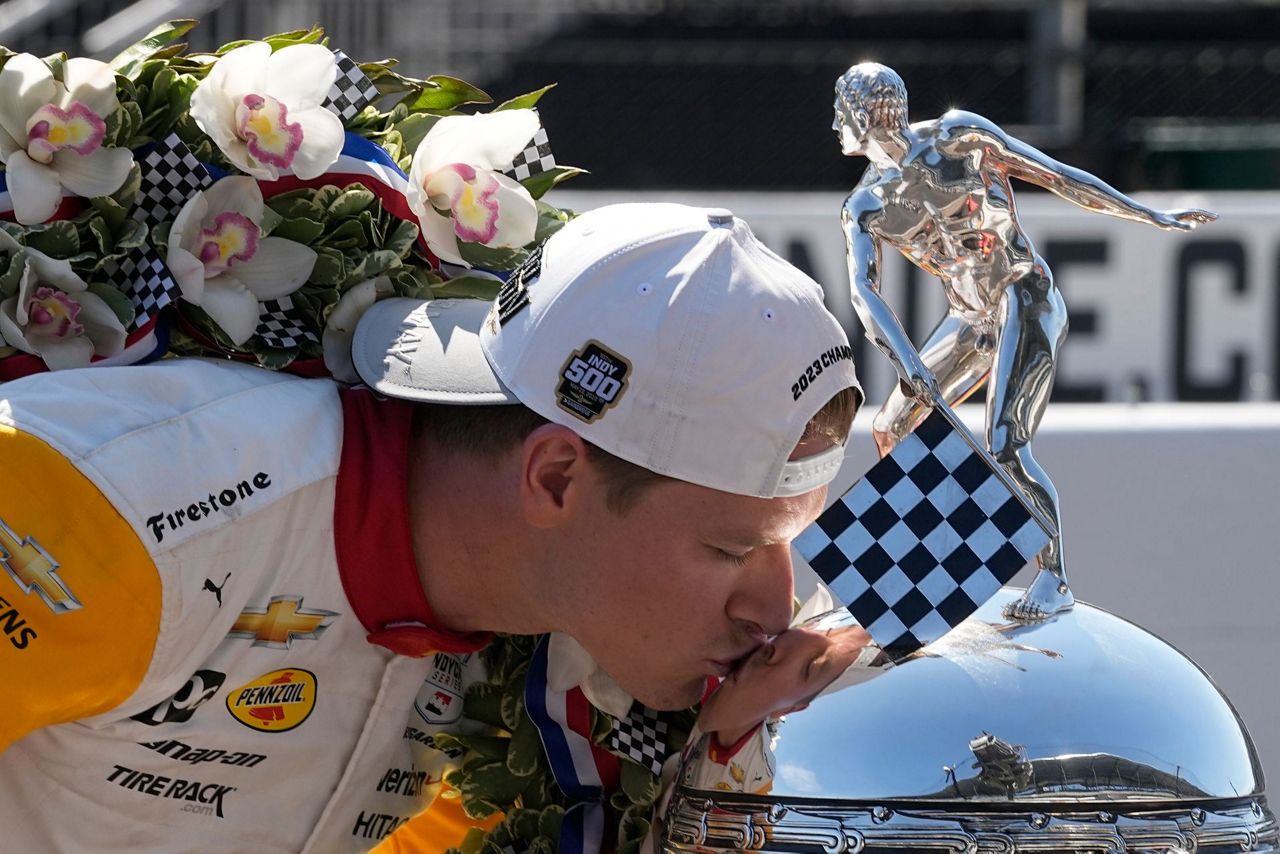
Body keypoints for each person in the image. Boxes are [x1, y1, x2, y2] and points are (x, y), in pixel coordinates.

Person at [0, 202, 863, 852]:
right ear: (556, 477)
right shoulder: (100, 502)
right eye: (730, 549)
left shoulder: (575, 658)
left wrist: (728, 778)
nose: (775, 607)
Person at [833, 62, 1216, 621]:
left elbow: (1057, 175)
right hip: (969, 317)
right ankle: (929, 558)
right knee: (892, 425)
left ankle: (1053, 575)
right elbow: (864, 296)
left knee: (1006, 443)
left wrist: (1148, 215)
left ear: (860, 116)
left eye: (839, 113)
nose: (834, 127)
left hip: (1021, 294)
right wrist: (907, 361)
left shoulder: (958, 137)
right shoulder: (865, 205)